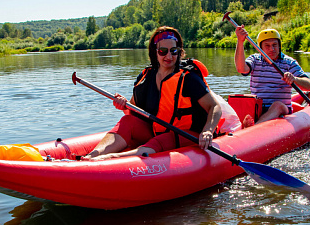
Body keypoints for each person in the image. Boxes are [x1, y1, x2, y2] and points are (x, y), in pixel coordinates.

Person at [85, 26, 222, 160]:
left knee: (165, 138)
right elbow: (132, 112)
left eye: (173, 51)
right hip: (158, 132)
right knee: (127, 121)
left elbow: (215, 107)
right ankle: (91, 157)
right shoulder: (146, 77)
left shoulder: (188, 78)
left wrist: (208, 130)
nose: (169, 56)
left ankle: (111, 158)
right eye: (163, 51)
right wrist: (123, 105)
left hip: (187, 134)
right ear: (155, 51)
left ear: (179, 51)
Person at [234, 24, 310, 125]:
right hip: (258, 108)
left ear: (279, 45)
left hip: (282, 109)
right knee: (239, 101)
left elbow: (309, 86)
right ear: (260, 47)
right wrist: (240, 41)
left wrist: (294, 79)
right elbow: (241, 69)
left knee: (277, 105)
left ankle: (254, 128)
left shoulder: (289, 62)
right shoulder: (254, 59)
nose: (272, 49)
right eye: (267, 46)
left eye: (274, 45)